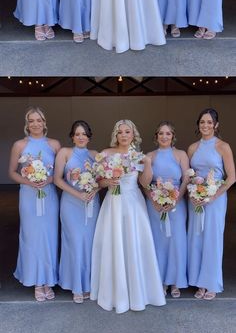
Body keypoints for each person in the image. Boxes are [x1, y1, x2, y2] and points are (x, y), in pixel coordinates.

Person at [90, 119, 166, 313]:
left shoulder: (138, 155)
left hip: (133, 203)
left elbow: (145, 182)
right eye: (120, 132)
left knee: (135, 243)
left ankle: (138, 292)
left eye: (127, 132)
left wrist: (147, 164)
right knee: (113, 243)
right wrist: (109, 180)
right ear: (116, 135)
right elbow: (99, 183)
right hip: (113, 204)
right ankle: (114, 293)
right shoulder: (106, 154)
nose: (124, 135)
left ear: (133, 135)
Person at [8, 107, 61, 301]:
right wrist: (30, 182)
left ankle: (48, 280)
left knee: (48, 236)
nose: (36, 124)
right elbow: (12, 172)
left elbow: (59, 171)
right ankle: (36, 281)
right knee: (31, 237)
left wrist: (47, 181)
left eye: (39, 120)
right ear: (27, 124)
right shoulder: (19, 145)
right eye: (31, 121)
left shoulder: (54, 144)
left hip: (48, 195)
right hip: (29, 196)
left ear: (45, 122)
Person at [187, 108, 235, 300]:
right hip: (196, 199)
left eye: (209, 122)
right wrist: (192, 191)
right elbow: (189, 175)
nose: (205, 125)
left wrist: (213, 197)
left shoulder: (223, 146)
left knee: (212, 240)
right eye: (202, 122)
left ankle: (211, 283)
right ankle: (199, 283)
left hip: (215, 199)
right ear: (198, 125)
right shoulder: (192, 148)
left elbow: (231, 178)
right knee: (196, 238)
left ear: (216, 125)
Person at [54, 120, 100, 303]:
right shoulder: (64, 153)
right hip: (71, 203)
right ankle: (75, 286)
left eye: (84, 134)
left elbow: (103, 179)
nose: (81, 137)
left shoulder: (96, 155)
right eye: (77, 134)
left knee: (89, 243)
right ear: (72, 136)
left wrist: (93, 191)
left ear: (89, 136)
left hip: (91, 203)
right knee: (74, 242)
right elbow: (57, 179)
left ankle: (88, 284)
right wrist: (78, 195)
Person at [145, 121, 189, 297]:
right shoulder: (150, 156)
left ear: (173, 136)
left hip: (177, 203)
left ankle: (176, 281)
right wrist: (154, 200)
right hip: (155, 203)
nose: (164, 136)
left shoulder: (181, 154)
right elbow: (145, 183)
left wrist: (176, 200)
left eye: (168, 133)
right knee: (158, 242)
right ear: (156, 137)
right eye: (161, 133)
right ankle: (161, 280)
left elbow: (186, 179)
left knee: (177, 241)